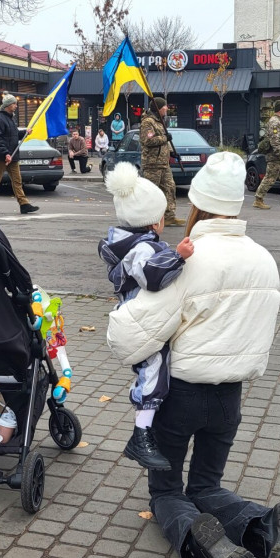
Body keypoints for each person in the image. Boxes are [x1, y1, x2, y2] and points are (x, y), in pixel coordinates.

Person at [106, 152, 280, 558]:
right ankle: (261, 525)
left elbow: (133, 335)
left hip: (181, 396)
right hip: (230, 396)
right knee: (207, 485)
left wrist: (120, 311)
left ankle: (198, 537)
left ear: (197, 202)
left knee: (167, 493)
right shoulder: (263, 259)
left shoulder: (190, 260)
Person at [100, 162, 194, 471]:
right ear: (152, 223)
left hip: (138, 317)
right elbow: (152, 277)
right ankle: (140, 435)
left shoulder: (128, 242)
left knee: (154, 371)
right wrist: (177, 255)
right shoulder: (140, 250)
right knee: (153, 374)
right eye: (163, 217)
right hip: (140, 320)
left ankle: (145, 428)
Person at [0, 93, 38, 215]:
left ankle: (24, 204)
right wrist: (5, 153)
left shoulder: (10, 118)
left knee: (17, 180)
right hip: (2, 156)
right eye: (14, 104)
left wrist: (24, 132)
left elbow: (13, 135)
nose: (16, 106)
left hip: (12, 155)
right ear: (8, 105)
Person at [140, 97, 185, 227]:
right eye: (164, 106)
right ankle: (147, 219)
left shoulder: (160, 122)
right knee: (151, 192)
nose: (166, 108)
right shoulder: (148, 122)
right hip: (152, 164)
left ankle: (169, 216)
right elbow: (148, 141)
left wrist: (172, 152)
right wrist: (165, 138)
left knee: (170, 187)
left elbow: (164, 143)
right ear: (158, 108)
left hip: (164, 163)